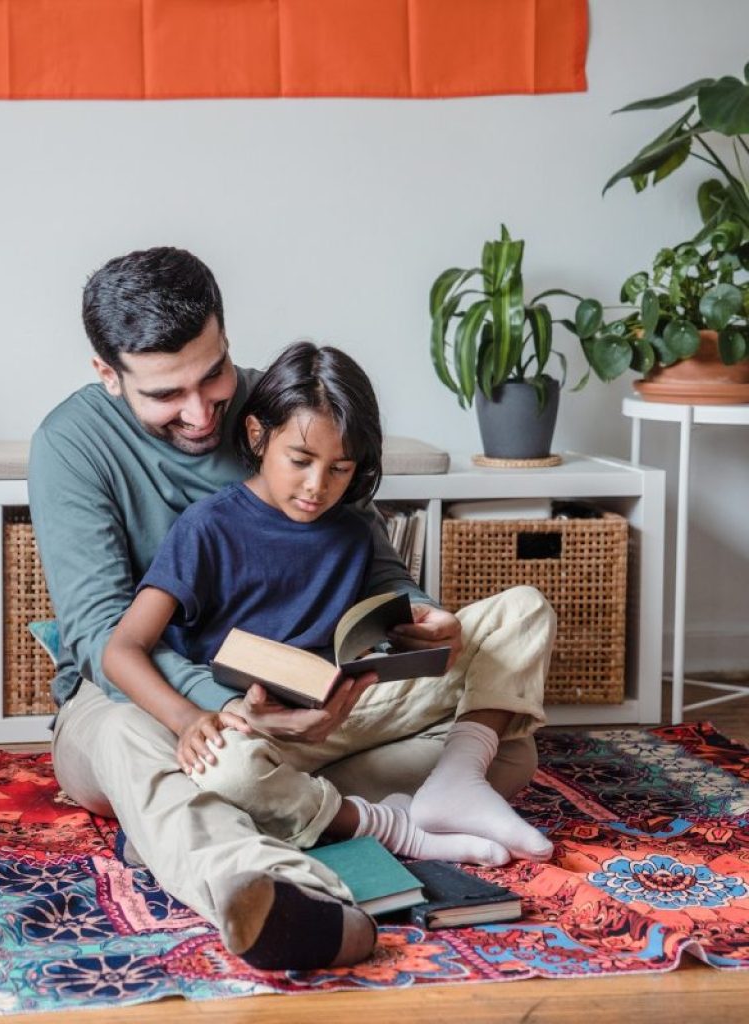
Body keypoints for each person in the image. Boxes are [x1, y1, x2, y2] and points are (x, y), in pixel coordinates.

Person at [29, 246, 556, 972]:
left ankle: (246, 815)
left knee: (511, 745)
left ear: (225, 336)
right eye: (165, 395)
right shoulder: (71, 444)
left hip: (313, 699)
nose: (201, 411)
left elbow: (367, 553)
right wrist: (228, 711)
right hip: (143, 699)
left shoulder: (278, 404)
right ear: (108, 376)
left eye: (213, 375)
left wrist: (420, 617)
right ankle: (293, 896)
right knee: (133, 744)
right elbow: (101, 638)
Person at [103, 340, 545, 870]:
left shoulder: (354, 526)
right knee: (227, 773)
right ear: (257, 435)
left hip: (352, 707)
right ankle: (390, 825)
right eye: (301, 460)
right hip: (262, 728)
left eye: (340, 468)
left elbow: (399, 602)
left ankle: (458, 779)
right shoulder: (207, 528)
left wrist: (429, 624)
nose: (318, 486)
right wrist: (189, 717)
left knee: (525, 608)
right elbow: (122, 648)